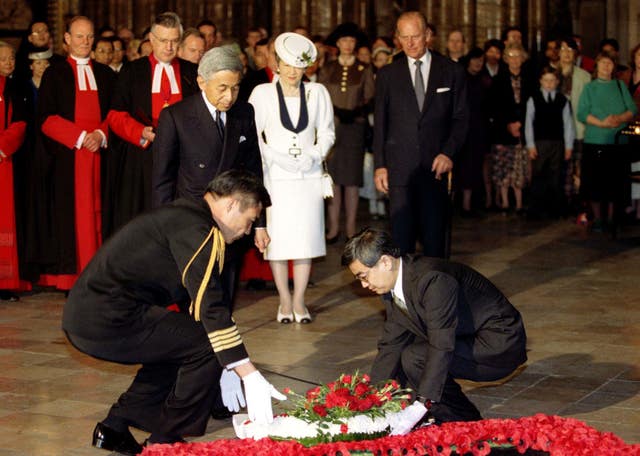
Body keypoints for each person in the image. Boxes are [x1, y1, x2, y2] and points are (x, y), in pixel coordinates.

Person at [63, 170, 285, 454]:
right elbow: (210, 304)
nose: (245, 231)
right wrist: (246, 371)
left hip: (96, 313)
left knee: (182, 341)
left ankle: (114, 426)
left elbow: (196, 305)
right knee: (203, 345)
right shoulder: (198, 229)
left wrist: (228, 361)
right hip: (107, 317)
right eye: (249, 220)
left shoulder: (189, 217)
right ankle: (164, 441)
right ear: (230, 205)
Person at [341, 228, 527, 424]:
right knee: (408, 353)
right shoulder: (394, 285)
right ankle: (449, 417)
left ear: (385, 262)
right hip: (466, 334)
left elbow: (441, 343)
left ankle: (466, 423)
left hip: (499, 342)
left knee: (417, 357)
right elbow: (391, 343)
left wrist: (422, 403)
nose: (363, 285)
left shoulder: (432, 279)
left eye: (363, 276)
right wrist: (372, 399)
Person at [152, 46, 267, 307]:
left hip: (232, 221)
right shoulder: (175, 116)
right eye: (222, 88)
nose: (229, 96)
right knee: (192, 293)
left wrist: (259, 222)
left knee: (225, 292)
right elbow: (162, 179)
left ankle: (219, 341)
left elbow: (253, 171)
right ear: (202, 82)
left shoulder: (244, 112)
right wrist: (161, 229)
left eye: (235, 88)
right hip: (191, 218)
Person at [248, 32, 335, 323]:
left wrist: (314, 154)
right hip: (276, 178)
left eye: (298, 66)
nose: (292, 71)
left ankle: (299, 300)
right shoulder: (262, 93)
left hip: (308, 177)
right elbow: (252, 135)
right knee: (279, 242)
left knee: (305, 240)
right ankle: (284, 300)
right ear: (277, 63)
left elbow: (327, 132)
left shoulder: (318, 92)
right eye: (286, 64)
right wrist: (275, 156)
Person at [373, 11, 468, 258]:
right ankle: (403, 295)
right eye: (404, 38)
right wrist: (380, 166)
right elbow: (380, 125)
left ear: (427, 35)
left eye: (415, 36)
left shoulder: (451, 71)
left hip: (436, 168)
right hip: (399, 169)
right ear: (397, 38)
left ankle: (436, 292)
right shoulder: (387, 75)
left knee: (435, 239)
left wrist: (449, 153)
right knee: (401, 240)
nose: (411, 43)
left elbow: (461, 119)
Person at [36, 16, 116, 291]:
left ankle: (99, 274)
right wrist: (81, 138)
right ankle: (72, 278)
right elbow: (46, 118)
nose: (85, 42)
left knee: (100, 213)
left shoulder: (106, 74)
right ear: (67, 39)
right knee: (73, 217)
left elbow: (115, 114)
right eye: (79, 36)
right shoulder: (55, 73)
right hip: (69, 158)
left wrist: (101, 135)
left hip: (100, 155)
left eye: (89, 36)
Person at [107, 12, 198, 237]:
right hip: (142, 156)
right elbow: (115, 115)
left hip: (181, 158)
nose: (168, 47)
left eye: (174, 41)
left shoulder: (191, 72)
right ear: (151, 39)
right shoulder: (132, 71)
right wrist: (141, 132)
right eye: (163, 40)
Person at [321, 22, 375, 242]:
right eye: (344, 40)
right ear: (337, 43)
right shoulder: (328, 68)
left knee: (351, 179)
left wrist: (355, 111)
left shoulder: (364, 69)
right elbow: (321, 96)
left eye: (351, 41)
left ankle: (351, 227)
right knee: (332, 178)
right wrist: (336, 111)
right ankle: (333, 227)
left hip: (355, 128)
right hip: (331, 128)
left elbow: (371, 96)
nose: (347, 45)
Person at [577, 52, 637, 232]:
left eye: (609, 63)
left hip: (617, 142)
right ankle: (597, 219)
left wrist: (619, 118)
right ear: (597, 66)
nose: (606, 66)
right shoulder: (589, 88)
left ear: (614, 67)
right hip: (596, 140)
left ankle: (611, 218)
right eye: (603, 63)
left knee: (614, 182)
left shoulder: (620, 85)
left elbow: (632, 109)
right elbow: (582, 112)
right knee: (595, 182)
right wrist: (602, 123)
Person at [524, 66, 575, 219]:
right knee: (538, 175)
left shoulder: (563, 100)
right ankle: (536, 209)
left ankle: (555, 209)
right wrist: (530, 144)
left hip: (557, 144)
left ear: (557, 82)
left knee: (556, 175)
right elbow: (528, 123)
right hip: (539, 143)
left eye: (552, 80)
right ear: (541, 81)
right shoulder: (534, 98)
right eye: (546, 80)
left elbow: (568, 124)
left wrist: (568, 146)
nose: (549, 83)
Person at [489, 43, 534, 215]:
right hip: (503, 130)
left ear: (523, 59)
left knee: (519, 167)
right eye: (511, 56)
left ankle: (520, 204)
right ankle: (505, 203)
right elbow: (494, 106)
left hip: (523, 127)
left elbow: (531, 103)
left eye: (518, 56)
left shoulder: (529, 79)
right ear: (506, 59)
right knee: (503, 167)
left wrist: (520, 124)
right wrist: (508, 124)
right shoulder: (498, 80)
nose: (515, 59)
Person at [0, 41, 29, 302]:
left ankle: (5, 283)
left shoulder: (14, 89)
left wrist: (1, 148)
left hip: (4, 163)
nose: (9, 63)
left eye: (11, 58)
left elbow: (20, 123)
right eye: (3, 59)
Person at [627, 44, 640, 221]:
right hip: (627, 128)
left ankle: (639, 208)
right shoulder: (626, 76)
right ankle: (631, 202)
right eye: (638, 56)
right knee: (630, 166)